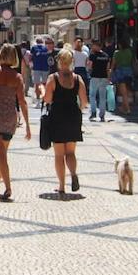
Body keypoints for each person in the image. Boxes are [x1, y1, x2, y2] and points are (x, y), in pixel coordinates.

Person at [0, 44, 31, 201]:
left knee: (1, 154)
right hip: (10, 117)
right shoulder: (17, 77)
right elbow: (22, 102)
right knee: (2, 152)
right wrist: (28, 126)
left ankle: (8, 187)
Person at [44, 47, 88, 195]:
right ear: (71, 62)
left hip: (57, 117)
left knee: (59, 155)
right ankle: (73, 174)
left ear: (59, 62)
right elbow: (84, 102)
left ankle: (62, 185)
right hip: (73, 117)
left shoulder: (53, 78)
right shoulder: (77, 79)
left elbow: (48, 99)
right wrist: (79, 111)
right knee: (70, 152)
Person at [87, 41, 111, 122]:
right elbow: (108, 68)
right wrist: (108, 78)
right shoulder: (106, 56)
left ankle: (93, 112)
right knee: (102, 97)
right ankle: (102, 115)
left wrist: (89, 70)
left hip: (95, 77)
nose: (92, 47)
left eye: (93, 46)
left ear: (97, 46)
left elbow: (89, 66)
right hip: (104, 77)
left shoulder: (93, 55)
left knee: (92, 95)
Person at [110, 40, 135, 115]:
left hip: (120, 72)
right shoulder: (129, 52)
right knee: (127, 91)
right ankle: (123, 107)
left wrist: (111, 72)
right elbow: (132, 61)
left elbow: (113, 63)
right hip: (129, 71)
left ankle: (127, 109)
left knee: (123, 93)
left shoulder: (117, 53)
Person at [30, 37, 50, 106]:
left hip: (36, 68)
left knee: (37, 84)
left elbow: (31, 57)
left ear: (36, 41)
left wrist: (31, 65)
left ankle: (38, 101)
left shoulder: (34, 48)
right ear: (42, 41)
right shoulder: (46, 48)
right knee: (44, 84)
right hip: (45, 68)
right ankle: (44, 99)